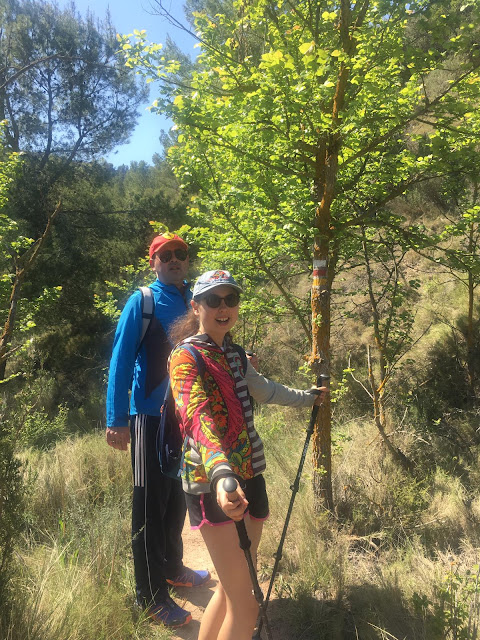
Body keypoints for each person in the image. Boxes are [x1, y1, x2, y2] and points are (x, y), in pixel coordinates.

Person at [168, 269, 328, 640]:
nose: (223, 307)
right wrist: (223, 474)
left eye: (231, 299)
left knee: (230, 588)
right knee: (248, 604)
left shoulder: (235, 354)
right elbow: (197, 418)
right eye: (213, 299)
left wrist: (307, 398)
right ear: (196, 306)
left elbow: (264, 389)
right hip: (214, 484)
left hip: (251, 476)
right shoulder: (185, 357)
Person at [105, 232, 210, 628]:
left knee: (177, 497)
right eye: (165, 255)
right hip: (148, 417)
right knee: (148, 505)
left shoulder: (192, 302)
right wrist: (116, 419)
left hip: (184, 418)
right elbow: (119, 361)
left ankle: (173, 567)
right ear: (153, 262)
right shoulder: (142, 302)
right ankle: (149, 597)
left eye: (180, 254)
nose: (174, 260)